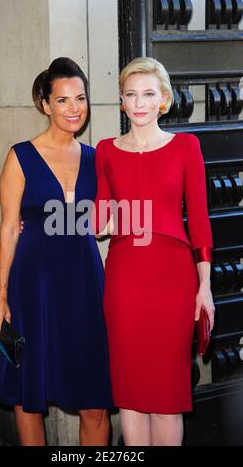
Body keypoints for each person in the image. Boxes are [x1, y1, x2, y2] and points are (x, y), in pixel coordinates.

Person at [0, 57, 113, 446]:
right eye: (62, 100)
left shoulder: (98, 158)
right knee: (29, 399)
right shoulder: (20, 156)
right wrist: (0, 296)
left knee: (94, 402)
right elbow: (8, 228)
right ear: (45, 103)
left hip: (84, 285)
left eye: (80, 98)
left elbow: (111, 218)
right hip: (30, 287)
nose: (73, 108)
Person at [93, 57, 215, 446]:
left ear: (164, 99)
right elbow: (100, 221)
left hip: (174, 282)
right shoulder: (106, 150)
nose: (139, 102)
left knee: (165, 398)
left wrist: (205, 287)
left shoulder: (186, 147)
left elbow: (199, 221)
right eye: (131, 95)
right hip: (125, 281)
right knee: (129, 397)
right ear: (122, 102)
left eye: (148, 94)